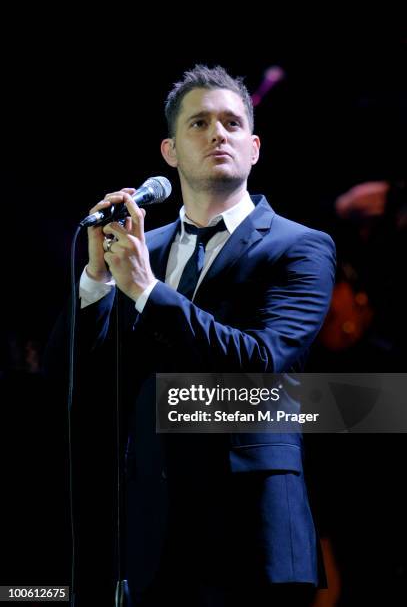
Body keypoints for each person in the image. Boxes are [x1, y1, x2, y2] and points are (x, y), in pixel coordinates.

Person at [49, 65, 336, 606]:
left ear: (254, 148)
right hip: (150, 536)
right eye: (199, 124)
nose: (217, 134)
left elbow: (262, 360)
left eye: (231, 123)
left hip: (254, 533)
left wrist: (148, 291)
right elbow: (70, 376)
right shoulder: (139, 250)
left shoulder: (302, 247)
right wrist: (96, 282)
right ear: (170, 152)